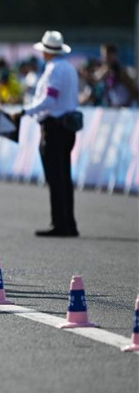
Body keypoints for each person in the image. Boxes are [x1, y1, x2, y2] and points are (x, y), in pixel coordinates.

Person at [12, 30, 80, 237]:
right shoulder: (68, 68)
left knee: (55, 178)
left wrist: (25, 111)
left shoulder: (54, 70)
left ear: (46, 52)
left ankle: (60, 223)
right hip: (67, 126)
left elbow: (49, 100)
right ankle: (68, 223)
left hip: (54, 127)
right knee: (64, 176)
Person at [96, 43, 138, 107]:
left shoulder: (120, 71)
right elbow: (96, 80)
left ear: (113, 55)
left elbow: (134, 92)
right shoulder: (104, 70)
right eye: (102, 55)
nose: (103, 58)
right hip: (112, 108)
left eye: (106, 55)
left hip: (124, 110)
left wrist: (124, 105)